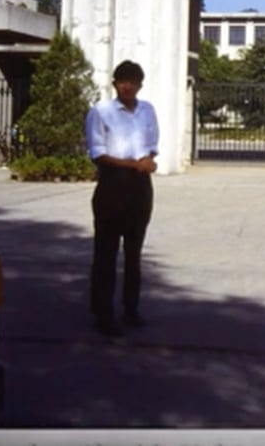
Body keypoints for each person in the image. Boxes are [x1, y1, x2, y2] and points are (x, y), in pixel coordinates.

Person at [85, 59, 160, 338]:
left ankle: (131, 308)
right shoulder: (101, 112)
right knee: (106, 252)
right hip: (112, 184)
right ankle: (103, 313)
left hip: (140, 186)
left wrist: (148, 160)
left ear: (140, 85)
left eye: (133, 82)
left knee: (134, 252)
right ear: (115, 83)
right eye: (123, 81)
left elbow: (152, 144)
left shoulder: (147, 110)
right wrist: (132, 165)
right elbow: (97, 152)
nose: (128, 87)